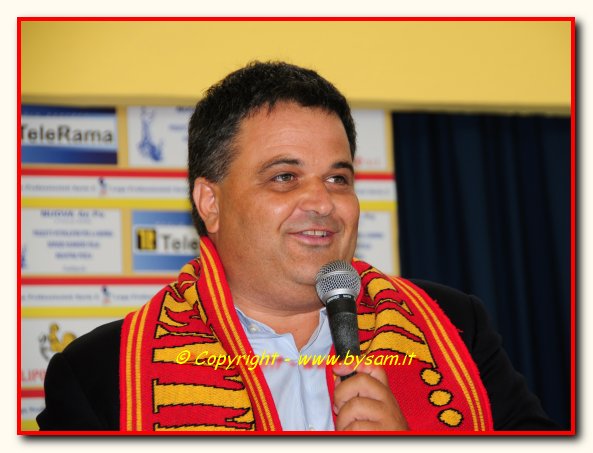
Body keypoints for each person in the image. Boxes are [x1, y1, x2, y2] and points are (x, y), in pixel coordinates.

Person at [37, 61, 557, 432]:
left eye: (338, 178)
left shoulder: (456, 326)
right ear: (210, 203)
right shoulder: (99, 374)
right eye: (285, 177)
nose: (323, 202)